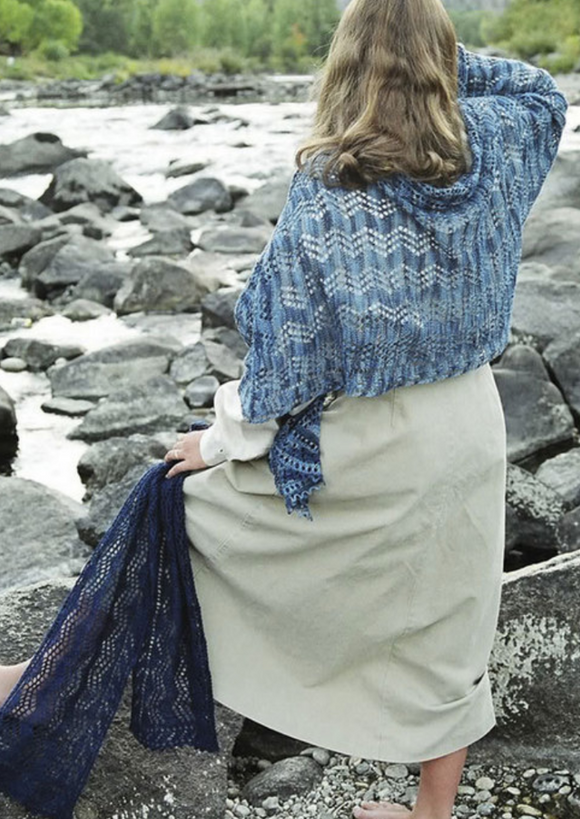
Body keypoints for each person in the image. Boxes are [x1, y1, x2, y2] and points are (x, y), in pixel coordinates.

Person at [0, 0, 568, 817]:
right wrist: (428, 60)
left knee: (168, 505)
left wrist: (223, 438)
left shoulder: (333, 186)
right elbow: (541, 87)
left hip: (370, 444)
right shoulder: (502, 142)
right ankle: (430, 812)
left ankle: (41, 679)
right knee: (454, 615)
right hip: (469, 425)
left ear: (344, 67)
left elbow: (289, 361)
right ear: (444, 60)